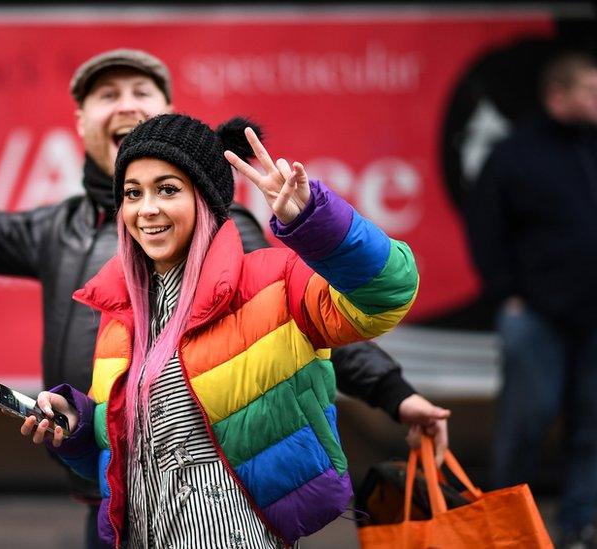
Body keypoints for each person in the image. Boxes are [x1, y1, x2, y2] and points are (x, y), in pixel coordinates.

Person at [0, 48, 447, 547]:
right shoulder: (85, 267)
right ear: (81, 124)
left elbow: (318, 327)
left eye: (141, 90)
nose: (124, 102)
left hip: (230, 512)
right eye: (106, 94)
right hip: (118, 496)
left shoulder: (247, 248)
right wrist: (73, 420)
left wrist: (392, 389)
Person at [21, 114, 419, 547]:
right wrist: (77, 429)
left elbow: (389, 293)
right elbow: (128, 453)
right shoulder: (121, 311)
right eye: (133, 194)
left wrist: (315, 222)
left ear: (206, 199)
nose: (147, 209)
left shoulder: (273, 281)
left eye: (167, 190)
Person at [467, 50, 597, 548]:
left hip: (592, 316)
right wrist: (507, 293)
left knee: (590, 427)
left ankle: (579, 525)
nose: (595, 100)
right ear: (558, 95)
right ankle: (503, 527)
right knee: (527, 421)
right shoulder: (515, 154)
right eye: (588, 90)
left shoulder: (591, 148)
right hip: (536, 316)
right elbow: (485, 230)